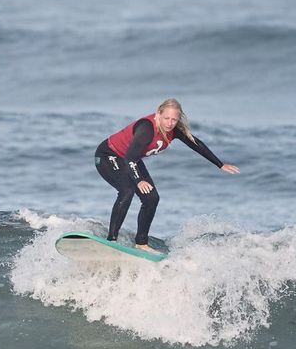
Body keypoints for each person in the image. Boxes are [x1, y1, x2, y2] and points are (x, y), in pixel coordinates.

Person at [96, 99, 239, 252]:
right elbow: (129, 157)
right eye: (166, 118)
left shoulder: (174, 130)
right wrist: (138, 181)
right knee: (127, 190)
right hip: (108, 156)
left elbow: (196, 144)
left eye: (174, 119)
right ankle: (111, 240)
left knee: (151, 198)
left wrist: (220, 164)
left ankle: (141, 243)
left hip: (131, 160)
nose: (170, 123)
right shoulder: (146, 129)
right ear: (158, 114)